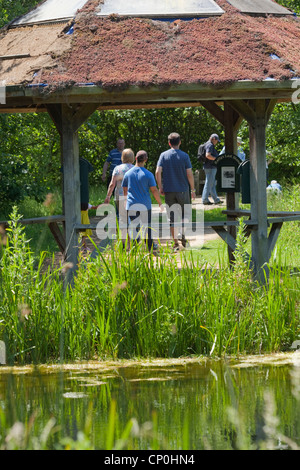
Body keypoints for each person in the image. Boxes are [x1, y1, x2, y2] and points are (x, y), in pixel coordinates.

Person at [155, 132, 196, 250]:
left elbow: (158, 172)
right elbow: (189, 174)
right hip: (183, 190)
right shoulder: (184, 156)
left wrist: (160, 186)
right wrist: (192, 189)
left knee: (171, 217)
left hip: (169, 190)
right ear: (180, 142)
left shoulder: (163, 155)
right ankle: (182, 237)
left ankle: (175, 243)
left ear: (169, 143)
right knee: (185, 214)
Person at [122, 150, 163, 251]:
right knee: (147, 227)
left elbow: (125, 190)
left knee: (134, 227)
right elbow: (154, 190)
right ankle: (150, 247)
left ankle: (134, 248)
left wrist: (125, 202)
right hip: (145, 205)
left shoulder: (128, 174)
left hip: (131, 205)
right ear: (146, 160)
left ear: (135, 158)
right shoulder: (148, 174)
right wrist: (160, 203)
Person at [104, 148, 135, 217]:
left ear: (122, 157)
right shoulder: (135, 169)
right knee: (132, 218)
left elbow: (112, 184)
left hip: (119, 196)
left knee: (121, 217)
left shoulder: (117, 168)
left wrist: (108, 196)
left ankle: (121, 227)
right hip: (132, 196)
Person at [201, 133, 222, 205]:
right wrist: (216, 159)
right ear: (213, 139)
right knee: (208, 183)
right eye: (217, 141)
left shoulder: (208, 144)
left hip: (209, 166)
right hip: (210, 167)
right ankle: (205, 200)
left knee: (212, 184)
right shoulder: (210, 145)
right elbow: (208, 155)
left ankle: (216, 200)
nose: (217, 142)